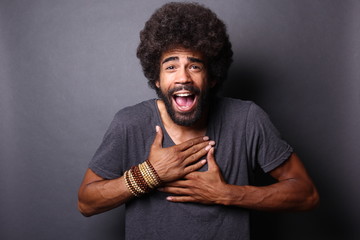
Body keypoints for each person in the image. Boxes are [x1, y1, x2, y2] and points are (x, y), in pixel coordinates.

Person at [78, 2, 319, 239]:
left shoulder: (246, 119)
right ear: (157, 79)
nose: (183, 77)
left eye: (194, 66)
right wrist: (149, 174)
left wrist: (227, 194)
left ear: (212, 77)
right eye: (171, 66)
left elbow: (306, 194)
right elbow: (87, 203)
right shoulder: (130, 123)